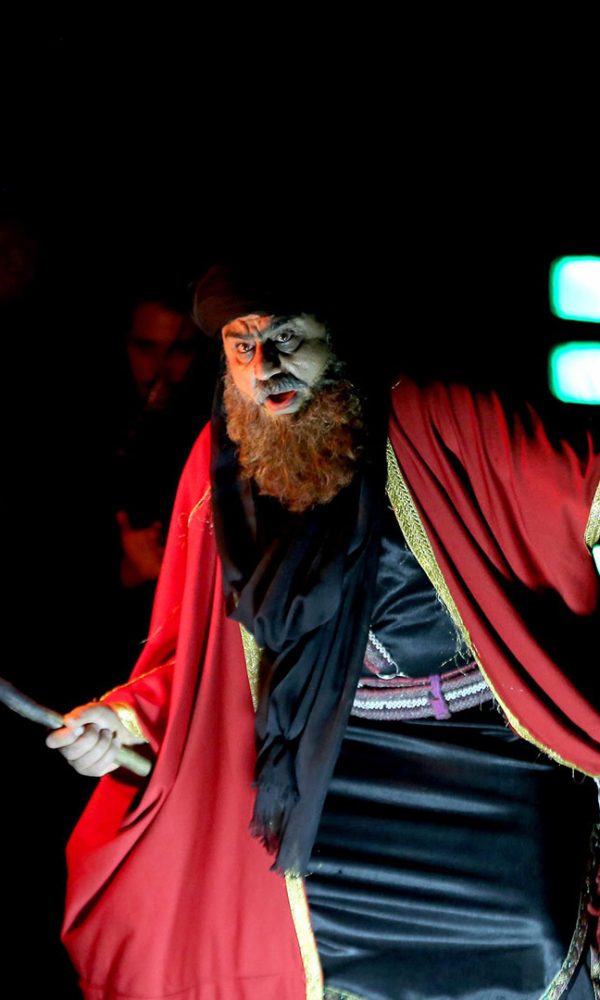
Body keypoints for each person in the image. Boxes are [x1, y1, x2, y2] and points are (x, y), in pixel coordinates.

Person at [47, 262, 600, 1000]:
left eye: (285, 339)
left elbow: (577, 494)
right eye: (242, 347)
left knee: (530, 930)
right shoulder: (221, 470)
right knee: (280, 924)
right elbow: (203, 661)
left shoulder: (433, 412)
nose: (264, 368)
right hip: (329, 764)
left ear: (334, 335)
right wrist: (124, 719)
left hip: (485, 749)